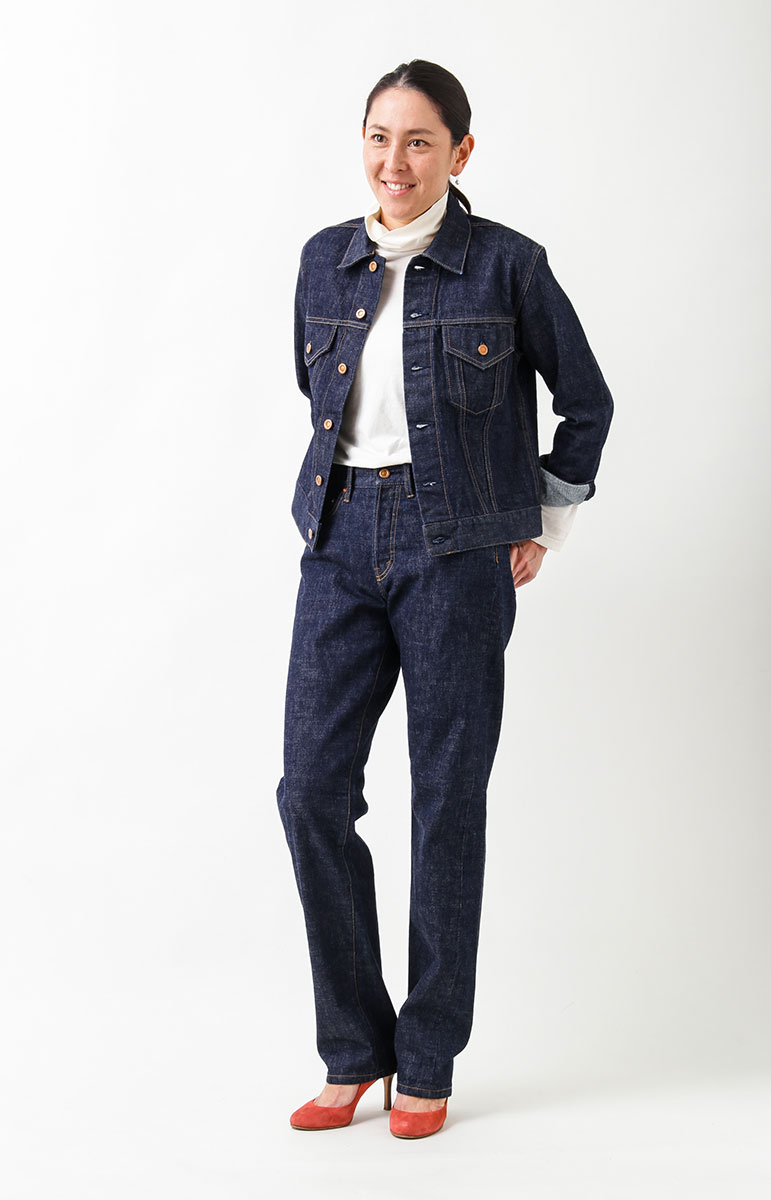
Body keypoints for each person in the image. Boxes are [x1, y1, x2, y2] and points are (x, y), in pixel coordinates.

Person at [276, 59, 613, 1139]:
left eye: (419, 140)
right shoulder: (323, 260)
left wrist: (540, 518)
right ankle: (353, 1050)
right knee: (309, 791)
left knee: (445, 798)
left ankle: (425, 1060)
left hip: (458, 549)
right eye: (379, 137)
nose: (395, 160)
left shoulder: (507, 265)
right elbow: (317, 393)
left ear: (460, 152)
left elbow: (586, 401)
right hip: (338, 541)